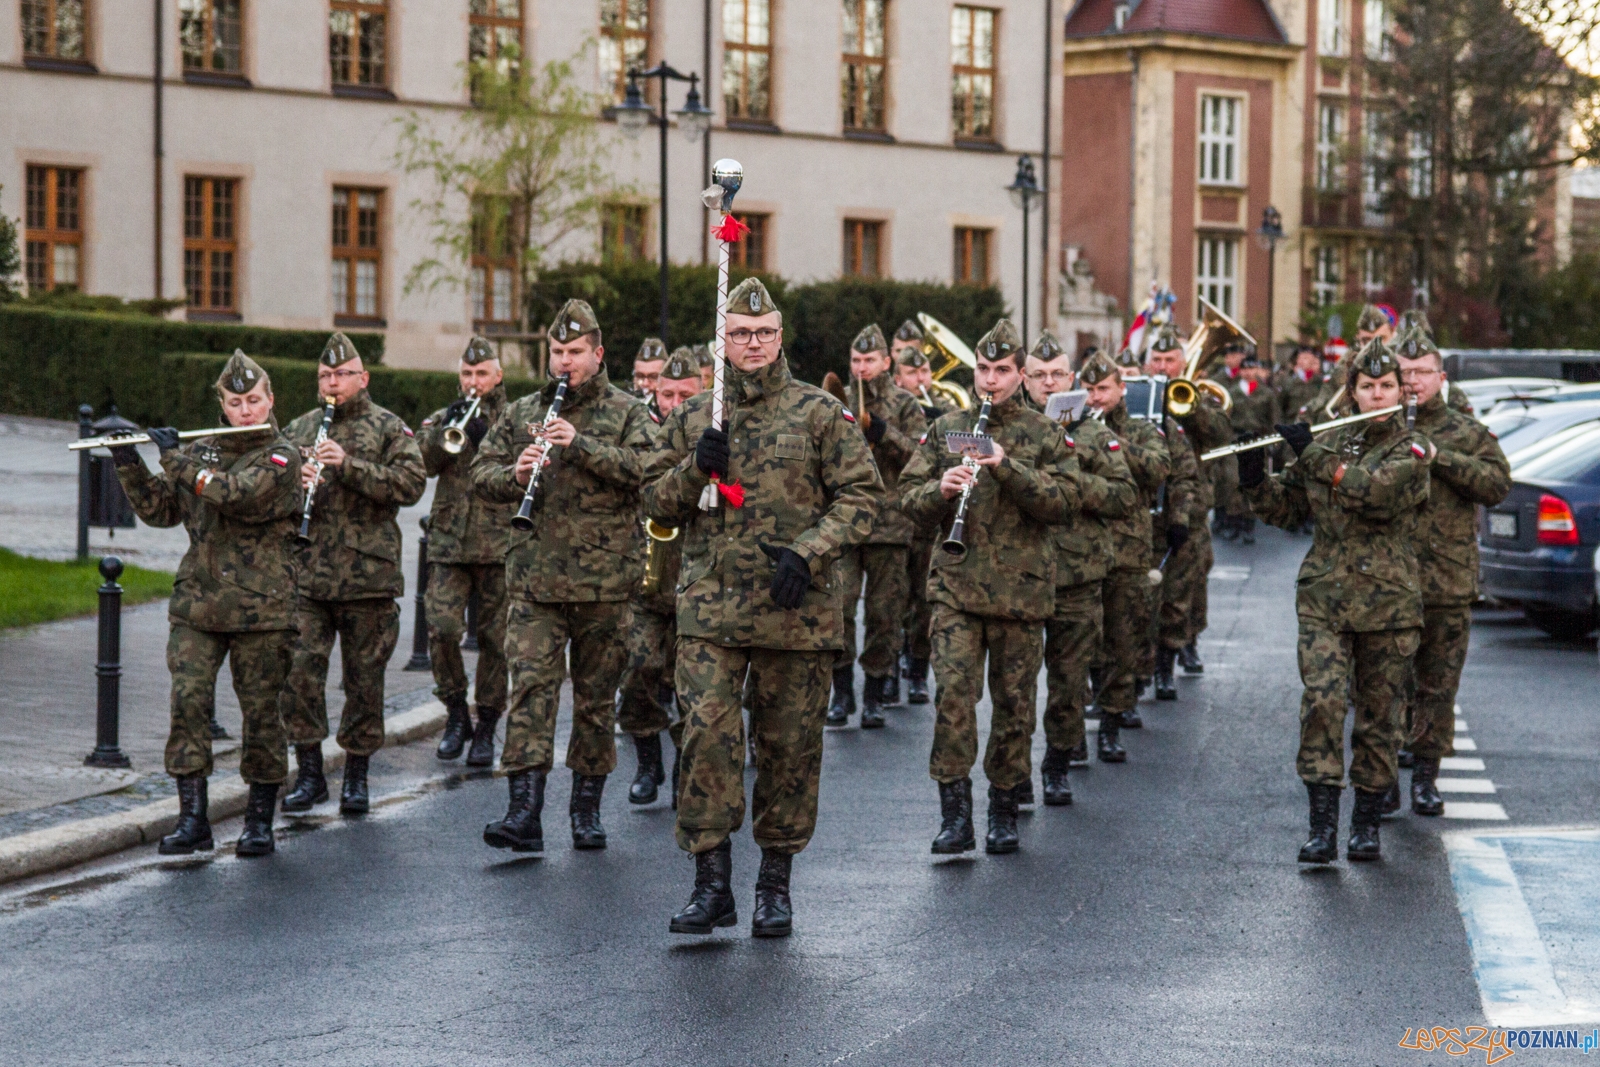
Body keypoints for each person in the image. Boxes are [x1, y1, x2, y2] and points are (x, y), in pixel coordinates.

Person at [643, 277, 882, 937]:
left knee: (789, 748)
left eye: (765, 332)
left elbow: (863, 497)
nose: (754, 343)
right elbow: (652, 501)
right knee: (706, 739)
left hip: (795, 613)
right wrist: (696, 469)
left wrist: (810, 550)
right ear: (724, 339)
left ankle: (774, 883)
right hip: (710, 612)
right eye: (742, 333)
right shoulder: (695, 417)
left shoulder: (819, 412)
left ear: (781, 338)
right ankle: (710, 882)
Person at [472, 299, 654, 854]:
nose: (564, 362)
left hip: (606, 582)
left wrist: (583, 446)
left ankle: (586, 810)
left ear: (597, 355)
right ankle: (524, 812)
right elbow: (479, 474)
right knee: (530, 690)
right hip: (535, 581)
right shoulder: (525, 409)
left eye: (575, 353)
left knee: (597, 701)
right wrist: (515, 471)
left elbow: (648, 470)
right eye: (557, 352)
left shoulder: (627, 412)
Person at [1241, 340, 1430, 863]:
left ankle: (1365, 825)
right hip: (1325, 596)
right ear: (1351, 392)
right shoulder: (1332, 441)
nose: (1376, 395)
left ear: (1399, 390)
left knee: (1378, 716)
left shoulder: (1412, 450)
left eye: (1385, 386)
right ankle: (1322, 827)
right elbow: (1288, 508)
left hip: (1388, 605)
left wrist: (1311, 453)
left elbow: (1373, 493)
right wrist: (1255, 477)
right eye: (1367, 387)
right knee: (1322, 703)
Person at [110, 352, 303, 856]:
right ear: (222, 403)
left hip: (262, 609)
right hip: (198, 605)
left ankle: (259, 821)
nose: (245, 411)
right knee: (188, 702)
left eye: (254, 400)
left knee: (261, 713)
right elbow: (162, 510)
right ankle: (192, 818)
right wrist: (128, 461)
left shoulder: (283, 455)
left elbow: (238, 495)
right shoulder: (205, 451)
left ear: (271, 400)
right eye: (235, 402)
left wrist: (176, 459)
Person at [900, 319, 1080, 856]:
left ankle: (1004, 808)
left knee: (1014, 706)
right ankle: (955, 816)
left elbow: (1064, 504)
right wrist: (939, 488)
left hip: (1020, 594)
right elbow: (906, 500)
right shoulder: (946, 427)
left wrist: (1004, 465)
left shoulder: (1046, 434)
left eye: (1002, 371)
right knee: (954, 699)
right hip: (955, 588)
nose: (991, 380)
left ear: (1022, 376)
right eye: (983, 369)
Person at [280, 333, 426, 817]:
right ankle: (310, 773)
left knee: (364, 681)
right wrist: (295, 483)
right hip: (308, 574)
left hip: (368, 578)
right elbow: (269, 489)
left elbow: (410, 485)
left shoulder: (389, 427)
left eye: (342, 375)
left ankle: (358, 775)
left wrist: (350, 466)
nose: (333, 383)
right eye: (325, 375)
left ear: (363, 378)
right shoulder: (300, 427)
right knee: (300, 673)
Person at [1394, 326, 1510, 815]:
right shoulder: (1380, 424)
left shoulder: (1467, 432)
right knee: (1386, 684)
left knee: (1437, 685)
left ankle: (1425, 777)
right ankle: (1382, 784)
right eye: (1405, 374)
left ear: (1441, 378)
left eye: (1422, 373)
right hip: (1387, 581)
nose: (1413, 382)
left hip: (1447, 580)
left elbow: (1496, 484)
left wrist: (1440, 460)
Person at [1022, 339, 1134, 801]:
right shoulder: (1010, 429)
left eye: (1058, 375)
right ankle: (1012, 777)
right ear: (1024, 381)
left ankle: (1057, 762)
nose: (1049, 383)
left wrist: (1072, 478)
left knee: (1068, 681)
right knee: (1016, 685)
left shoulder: (1094, 434)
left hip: (1078, 574)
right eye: (1039, 375)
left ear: (1072, 381)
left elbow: (1124, 497)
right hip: (1020, 572)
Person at [417, 336, 511, 767]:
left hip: (500, 544)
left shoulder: (516, 418)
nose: (473, 383)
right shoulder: (443, 416)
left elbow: (525, 464)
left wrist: (486, 435)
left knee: (496, 640)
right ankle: (456, 712)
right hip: (450, 544)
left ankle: (488, 723)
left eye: (481, 374)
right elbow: (418, 464)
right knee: (441, 629)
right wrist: (442, 435)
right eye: (467, 375)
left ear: (498, 375)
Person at [828, 323, 927, 728]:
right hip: (847, 522)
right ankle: (842, 693)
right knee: (840, 607)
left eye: (870, 360)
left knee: (885, 614)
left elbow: (921, 459)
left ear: (887, 362)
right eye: (856, 360)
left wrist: (885, 434)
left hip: (890, 526)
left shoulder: (905, 404)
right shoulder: (837, 401)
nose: (862, 367)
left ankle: (873, 692)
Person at [617, 349, 702, 806]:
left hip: (700, 580)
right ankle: (648, 759)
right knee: (638, 671)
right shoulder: (641, 431)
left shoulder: (713, 429)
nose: (672, 400)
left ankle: (684, 769)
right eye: (665, 392)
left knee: (695, 686)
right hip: (647, 576)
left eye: (683, 393)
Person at [1080, 350, 1175, 755]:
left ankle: (1112, 722)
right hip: (1083, 549)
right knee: (1085, 639)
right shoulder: (1073, 427)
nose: (1096, 397)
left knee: (1122, 639)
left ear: (1122, 390)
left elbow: (1158, 468)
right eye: (1088, 389)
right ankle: (1083, 714)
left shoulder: (1142, 429)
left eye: (1103, 389)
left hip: (1128, 550)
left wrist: (1109, 441)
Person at [1144, 326, 1231, 695]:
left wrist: (1189, 404)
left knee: (1183, 586)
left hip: (1189, 505)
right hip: (1145, 505)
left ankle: (1172, 657)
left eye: (1170, 361)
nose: (1164, 367)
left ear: (1183, 363)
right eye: (1158, 361)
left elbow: (1221, 434)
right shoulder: (1136, 391)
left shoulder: (1196, 394)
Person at [893, 346, 952, 703]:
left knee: (923, 597)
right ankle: (888, 665)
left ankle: (917, 668)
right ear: (898, 379)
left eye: (925, 373)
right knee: (893, 598)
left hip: (930, 520)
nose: (920, 380)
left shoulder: (945, 411)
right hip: (897, 519)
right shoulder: (892, 407)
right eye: (912, 375)